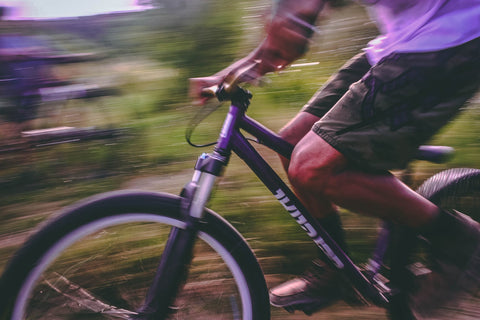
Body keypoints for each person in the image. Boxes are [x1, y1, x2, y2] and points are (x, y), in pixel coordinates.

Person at [190, 0, 480, 315]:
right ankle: (336, 268)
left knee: (311, 166)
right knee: (290, 143)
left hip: (455, 36)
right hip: (402, 40)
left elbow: (301, 12)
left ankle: (463, 241)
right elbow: (296, 19)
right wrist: (246, 65)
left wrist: (296, 16)